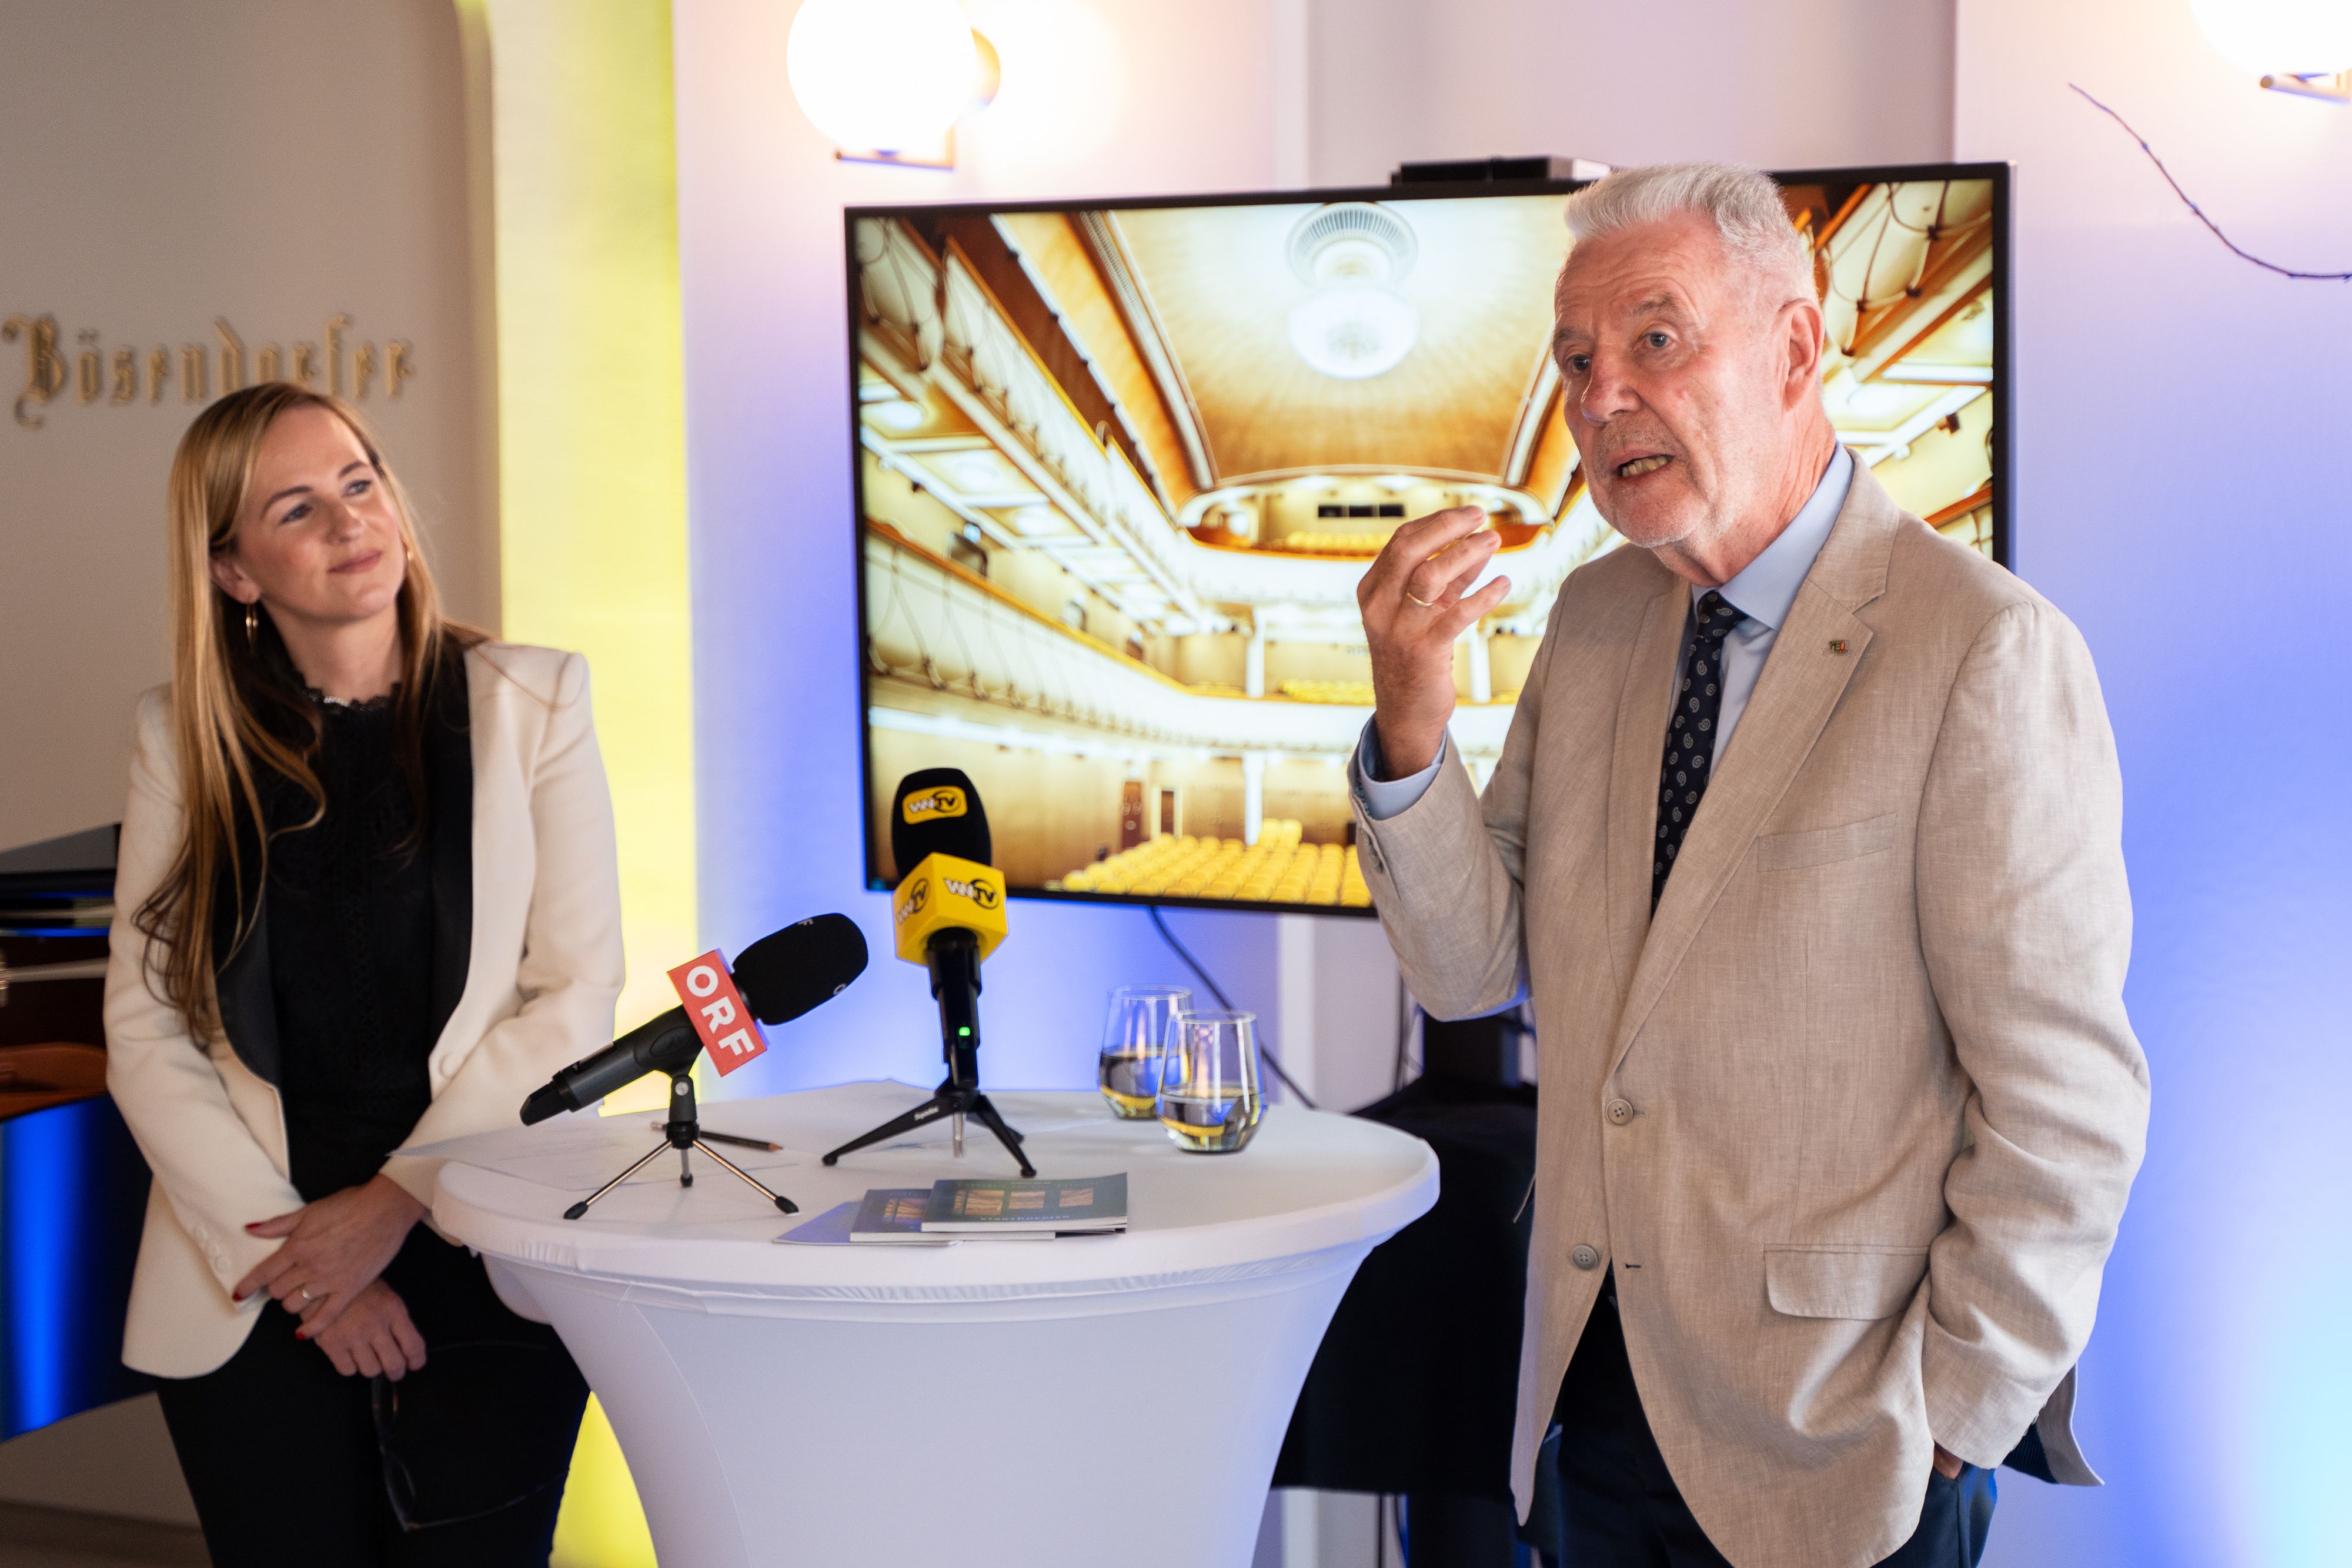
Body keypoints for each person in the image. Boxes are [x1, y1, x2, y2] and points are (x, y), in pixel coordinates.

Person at [1349, 165, 2149, 1568]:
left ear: (1791, 349)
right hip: (1588, 1401)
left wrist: (1958, 1406)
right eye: (1575, 361)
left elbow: (2064, 1095)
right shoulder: (1593, 618)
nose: (1601, 396)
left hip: (1842, 1440)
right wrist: (1410, 713)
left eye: (1653, 339)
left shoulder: (1980, 646)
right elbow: (1468, 969)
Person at [105, 383, 624, 1564]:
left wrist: (394, 1203)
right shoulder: (179, 738)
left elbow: (573, 994)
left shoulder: (535, 702)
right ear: (234, 570)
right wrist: (306, 1268)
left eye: (360, 481)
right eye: (297, 507)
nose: (352, 521)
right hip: (256, 1266)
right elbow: (145, 1029)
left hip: (480, 1244)